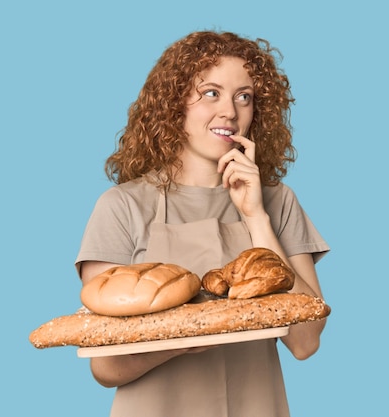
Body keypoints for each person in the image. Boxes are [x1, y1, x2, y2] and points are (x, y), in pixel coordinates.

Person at [75, 30, 330, 417]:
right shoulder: (122, 206)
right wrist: (190, 335)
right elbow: (106, 366)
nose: (230, 111)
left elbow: (305, 340)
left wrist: (255, 216)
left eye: (244, 97)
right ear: (173, 103)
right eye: (211, 92)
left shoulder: (277, 202)